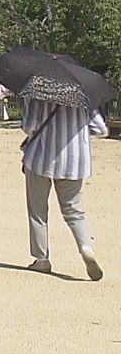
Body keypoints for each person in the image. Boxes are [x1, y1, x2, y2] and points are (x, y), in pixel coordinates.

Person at [21, 98, 106, 281]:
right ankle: (86, 247)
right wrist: (78, 131)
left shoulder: (38, 94)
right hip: (75, 160)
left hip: (40, 157)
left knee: (38, 211)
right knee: (75, 211)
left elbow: (28, 127)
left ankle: (41, 259)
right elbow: (101, 129)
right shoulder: (84, 97)